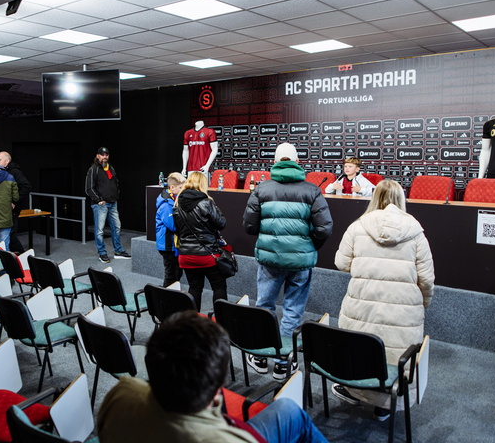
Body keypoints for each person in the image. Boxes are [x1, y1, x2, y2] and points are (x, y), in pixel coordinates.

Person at [98, 310, 328, 443]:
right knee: (290, 411)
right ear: (221, 385)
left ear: (150, 362)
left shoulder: (120, 395)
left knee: (287, 411)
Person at [332, 179, 434, 421]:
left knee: (360, 349)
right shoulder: (416, 232)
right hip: (403, 314)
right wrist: (422, 304)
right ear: (401, 200)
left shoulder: (357, 226)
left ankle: (356, 390)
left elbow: (341, 263)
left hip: (360, 306)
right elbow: (427, 280)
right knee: (393, 356)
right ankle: (385, 405)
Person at [243, 142, 332, 380]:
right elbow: (324, 229)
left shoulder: (261, 189)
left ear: (275, 161)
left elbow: (249, 226)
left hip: (270, 259)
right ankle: (283, 362)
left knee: (265, 305)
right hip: (300, 262)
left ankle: (261, 356)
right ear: (296, 161)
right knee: (293, 310)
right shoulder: (312, 190)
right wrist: (309, 245)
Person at [173, 172, 228, 312]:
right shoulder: (207, 202)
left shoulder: (177, 204)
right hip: (207, 254)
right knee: (219, 286)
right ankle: (221, 322)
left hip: (186, 255)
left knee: (194, 287)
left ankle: (195, 323)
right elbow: (221, 223)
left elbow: (177, 229)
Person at [85, 147, 131, 263]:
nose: (105, 156)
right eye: (102, 154)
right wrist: (99, 200)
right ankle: (102, 253)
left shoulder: (110, 168)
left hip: (112, 203)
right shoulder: (93, 169)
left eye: (106, 154)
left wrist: (116, 197)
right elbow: (89, 188)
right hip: (100, 205)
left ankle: (118, 251)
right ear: (98, 156)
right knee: (100, 230)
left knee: (116, 227)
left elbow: (116, 184)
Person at [0, 151, 32, 253]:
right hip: (4, 209)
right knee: (6, 235)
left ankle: (22, 258)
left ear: (7, 161)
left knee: (9, 234)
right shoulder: (3, 171)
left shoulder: (15, 172)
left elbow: (27, 186)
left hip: (12, 209)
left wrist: (14, 201)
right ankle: (13, 258)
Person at [156, 172, 186, 287]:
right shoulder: (166, 204)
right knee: (171, 276)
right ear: (172, 187)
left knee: (177, 274)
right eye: (181, 188)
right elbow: (173, 226)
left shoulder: (173, 200)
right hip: (168, 245)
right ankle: (165, 303)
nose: (183, 190)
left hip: (173, 245)